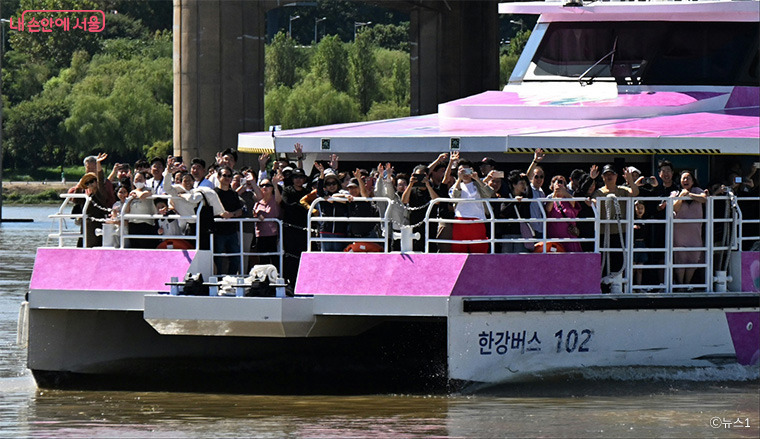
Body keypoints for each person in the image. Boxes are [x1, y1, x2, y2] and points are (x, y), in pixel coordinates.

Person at [593, 164, 639, 278]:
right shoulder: (599, 192)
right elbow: (591, 200)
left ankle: (617, 284)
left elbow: (635, 192)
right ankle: (604, 284)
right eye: (606, 174)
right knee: (603, 261)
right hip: (604, 233)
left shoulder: (622, 190)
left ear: (616, 176)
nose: (609, 176)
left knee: (619, 261)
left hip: (620, 233)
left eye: (612, 174)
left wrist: (630, 180)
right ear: (602, 177)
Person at [448, 159, 495, 253]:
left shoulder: (478, 184)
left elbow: (489, 193)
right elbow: (454, 196)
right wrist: (459, 179)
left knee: (479, 251)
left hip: (477, 220)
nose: (465, 173)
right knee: (459, 251)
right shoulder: (455, 186)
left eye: (467, 170)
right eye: (462, 171)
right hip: (460, 221)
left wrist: (477, 178)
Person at [671, 170, 707, 289]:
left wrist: (690, 195)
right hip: (680, 233)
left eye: (688, 178)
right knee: (681, 259)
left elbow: (704, 199)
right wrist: (682, 196)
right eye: (683, 178)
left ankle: (687, 283)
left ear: (693, 180)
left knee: (694, 258)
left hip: (695, 233)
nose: (686, 180)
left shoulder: (697, 190)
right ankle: (680, 284)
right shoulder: (675, 192)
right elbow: (675, 208)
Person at [72, 153, 111, 247]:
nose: (90, 184)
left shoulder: (100, 190)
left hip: (98, 222)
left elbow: (100, 179)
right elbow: (76, 200)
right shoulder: (85, 191)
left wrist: (98, 164)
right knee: (82, 244)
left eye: (92, 181)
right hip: (86, 222)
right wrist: (79, 186)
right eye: (87, 183)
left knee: (96, 244)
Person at [281, 167, 310, 284]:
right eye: (296, 177)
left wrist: (299, 207)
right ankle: (290, 281)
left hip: (304, 229)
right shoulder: (287, 191)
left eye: (301, 177)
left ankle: (303, 280)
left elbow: (310, 207)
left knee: (303, 254)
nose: (298, 180)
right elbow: (286, 204)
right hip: (289, 228)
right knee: (290, 255)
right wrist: (301, 206)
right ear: (292, 179)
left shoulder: (307, 192)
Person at [214, 166, 245, 274]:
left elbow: (240, 211)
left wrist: (231, 215)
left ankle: (231, 278)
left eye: (229, 176)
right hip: (217, 231)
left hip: (232, 231)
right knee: (217, 258)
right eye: (224, 175)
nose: (227, 178)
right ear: (218, 177)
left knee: (236, 258)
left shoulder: (234, 194)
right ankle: (218, 280)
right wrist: (222, 214)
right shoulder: (213, 193)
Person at [403, 165, 439, 251]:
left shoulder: (433, 189)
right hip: (415, 224)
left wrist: (428, 185)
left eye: (421, 175)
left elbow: (437, 201)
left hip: (430, 225)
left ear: (427, 176)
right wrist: (410, 184)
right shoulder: (412, 190)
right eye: (416, 175)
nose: (418, 178)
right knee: (415, 248)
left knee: (431, 248)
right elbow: (404, 200)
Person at [314, 162, 349, 251]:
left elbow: (347, 198)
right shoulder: (323, 196)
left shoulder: (342, 193)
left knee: (338, 256)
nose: (332, 186)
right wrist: (321, 173)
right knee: (326, 256)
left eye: (334, 183)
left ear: (338, 184)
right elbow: (319, 190)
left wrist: (333, 198)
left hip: (340, 231)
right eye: (328, 184)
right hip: (325, 231)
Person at [253, 173, 283, 268]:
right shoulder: (257, 202)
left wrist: (275, 185)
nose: (264, 187)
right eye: (262, 185)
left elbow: (279, 200)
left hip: (273, 235)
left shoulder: (275, 199)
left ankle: (276, 275)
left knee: (274, 259)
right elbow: (254, 214)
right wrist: (257, 215)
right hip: (260, 234)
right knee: (263, 259)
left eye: (267, 185)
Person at [545, 175, 582, 252]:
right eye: (556, 182)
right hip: (555, 239)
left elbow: (574, 204)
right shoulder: (550, 199)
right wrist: (554, 194)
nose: (559, 184)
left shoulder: (569, 199)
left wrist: (565, 193)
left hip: (569, 238)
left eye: (561, 182)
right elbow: (548, 209)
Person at [123, 172, 158, 248]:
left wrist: (135, 192)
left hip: (146, 224)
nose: (138, 181)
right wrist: (130, 199)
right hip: (133, 224)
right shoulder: (132, 193)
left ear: (145, 180)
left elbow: (142, 196)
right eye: (136, 179)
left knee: (146, 247)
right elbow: (127, 210)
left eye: (140, 179)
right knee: (135, 247)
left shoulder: (149, 190)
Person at [632, 201, 650, 287]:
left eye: (642, 208)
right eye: (638, 208)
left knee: (640, 268)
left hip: (642, 244)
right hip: (633, 244)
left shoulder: (646, 219)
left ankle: (638, 287)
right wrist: (632, 227)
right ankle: (630, 287)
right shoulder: (631, 219)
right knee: (632, 268)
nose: (640, 210)